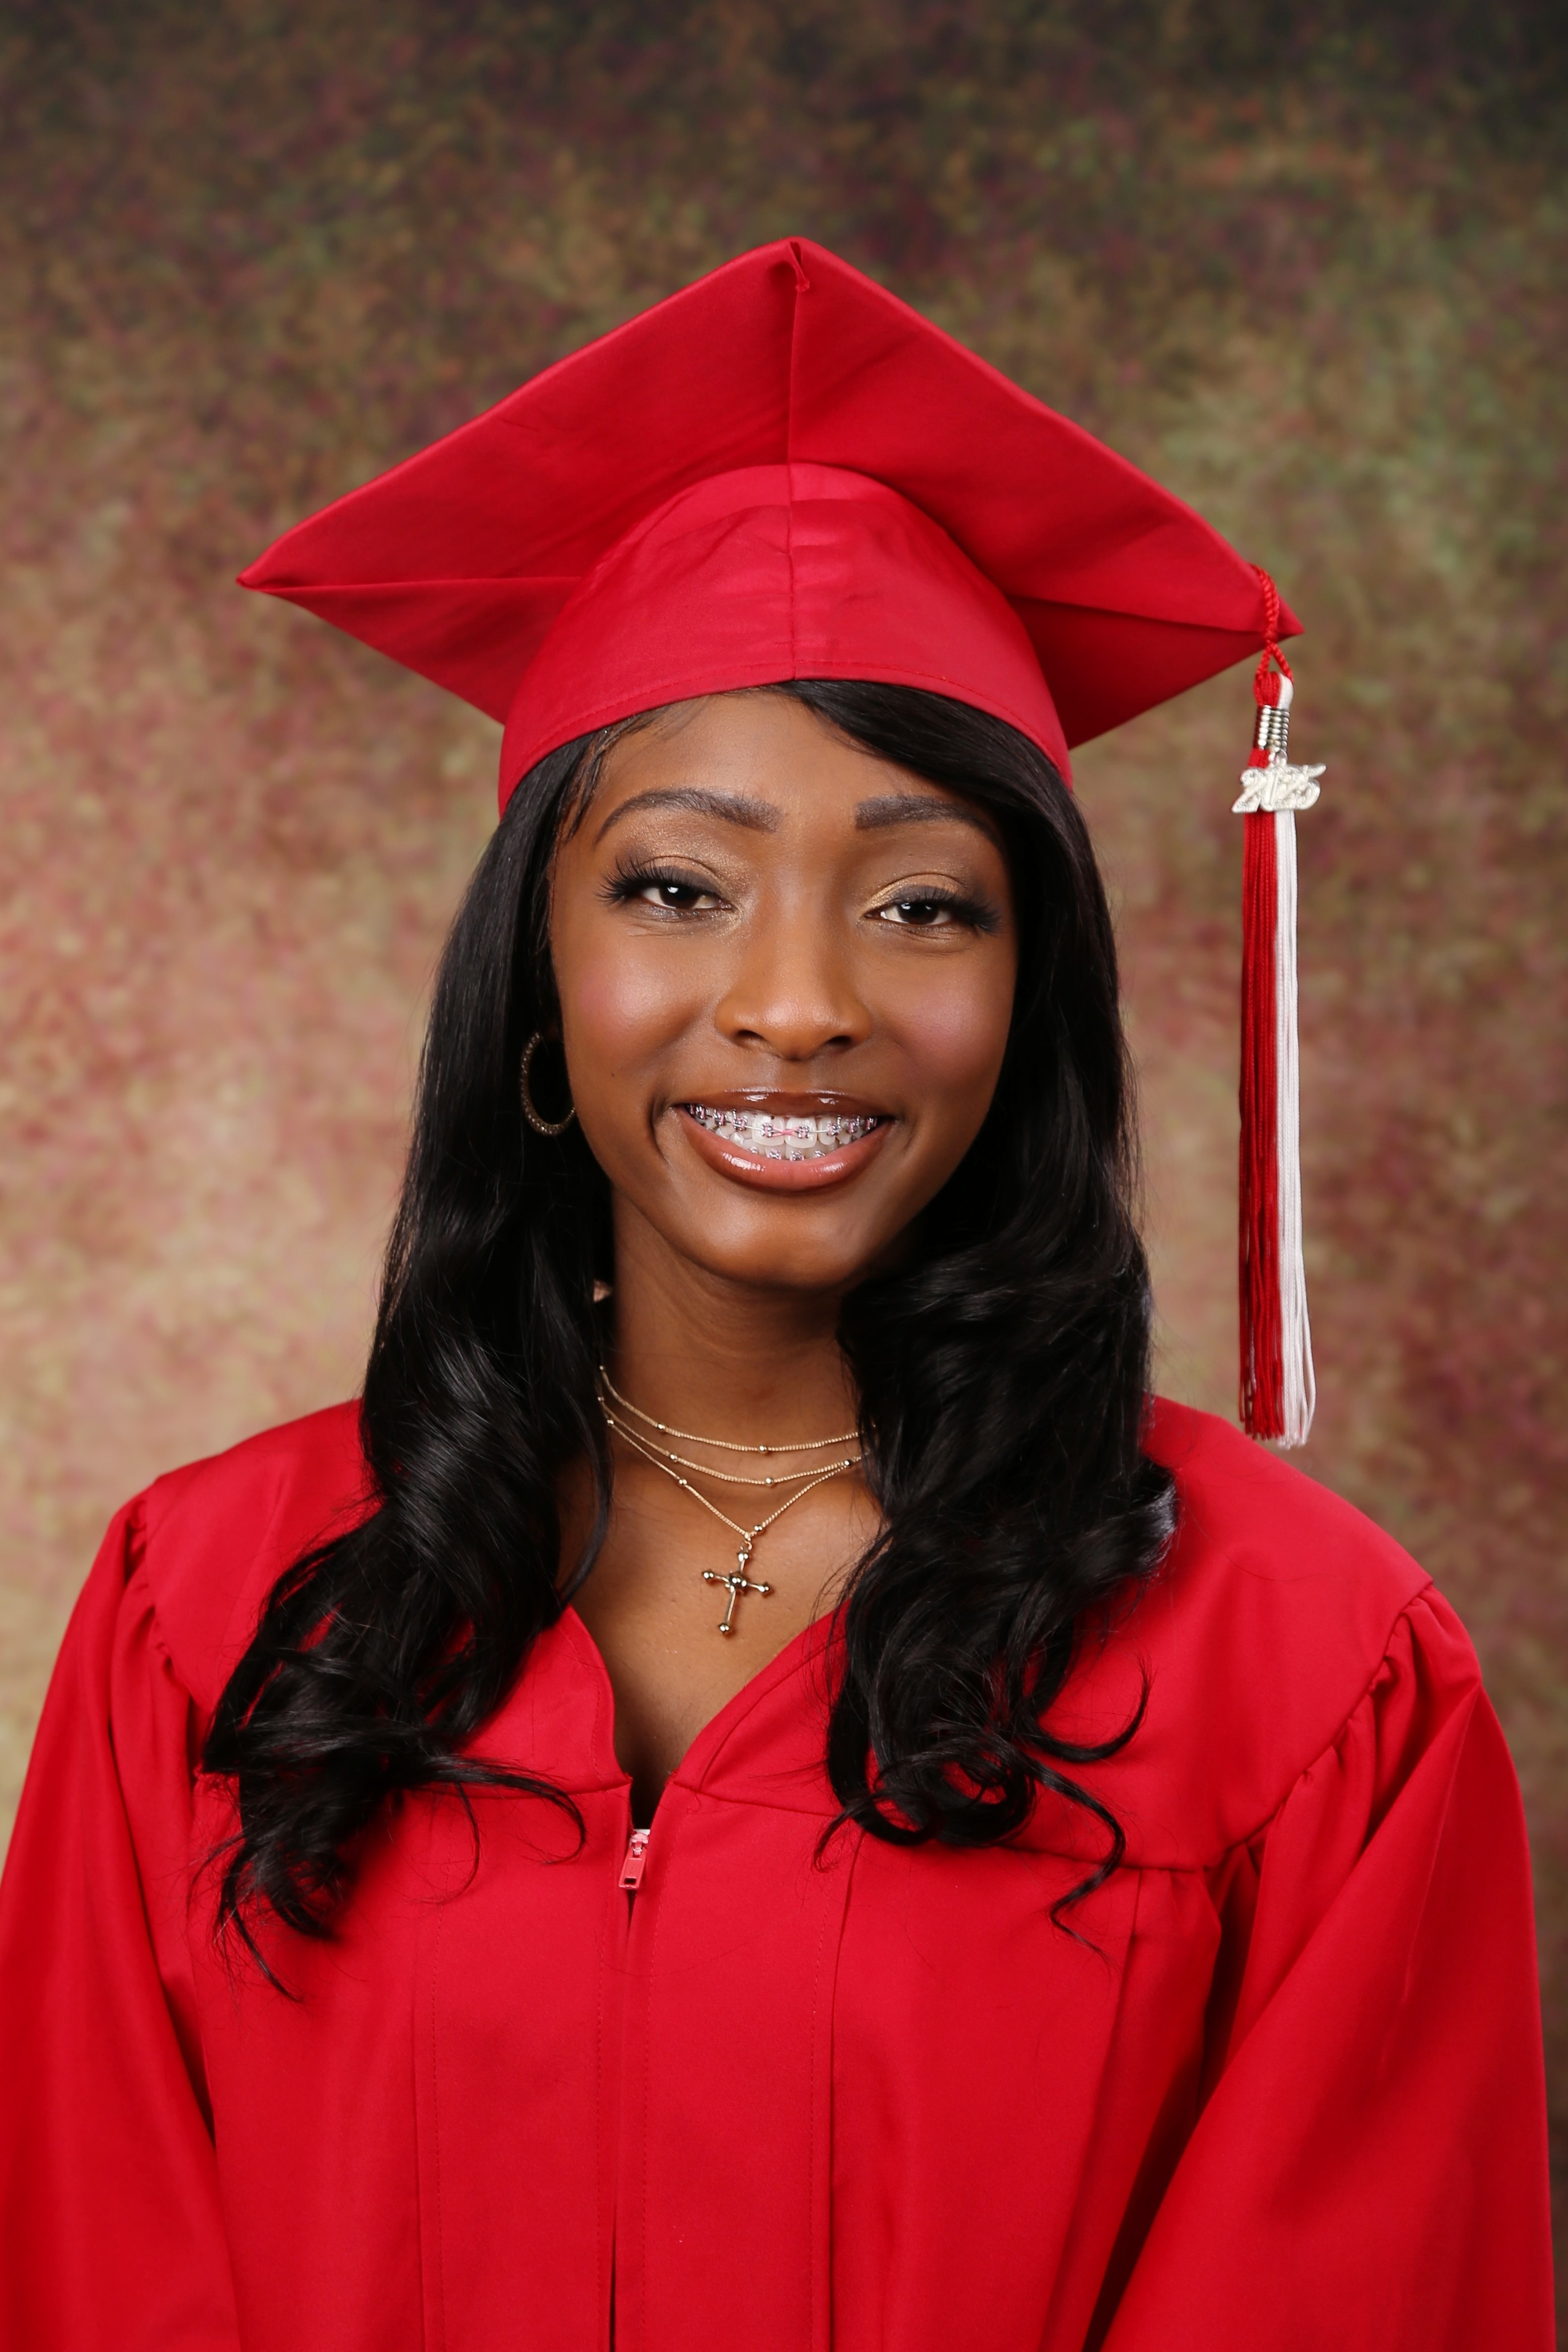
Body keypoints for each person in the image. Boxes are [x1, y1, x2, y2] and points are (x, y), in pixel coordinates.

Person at [0, 239, 1552, 2351]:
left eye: (923, 901)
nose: (799, 1002)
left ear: (1032, 1001)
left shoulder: (1307, 1679)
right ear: (536, 969)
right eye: (674, 884)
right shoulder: (208, 1613)